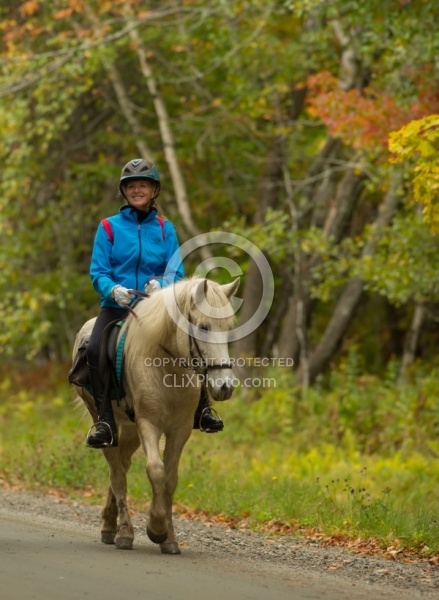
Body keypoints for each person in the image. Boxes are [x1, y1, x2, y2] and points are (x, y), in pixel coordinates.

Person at [85, 158, 224, 448]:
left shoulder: (165, 229)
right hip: (118, 305)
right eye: (131, 186)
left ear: (154, 191)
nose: (137, 190)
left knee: (193, 340)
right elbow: (98, 271)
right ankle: (104, 421)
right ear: (124, 192)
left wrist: (162, 284)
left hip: (157, 308)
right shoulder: (108, 227)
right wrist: (113, 290)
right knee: (96, 346)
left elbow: (176, 271)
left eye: (143, 185)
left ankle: (202, 408)